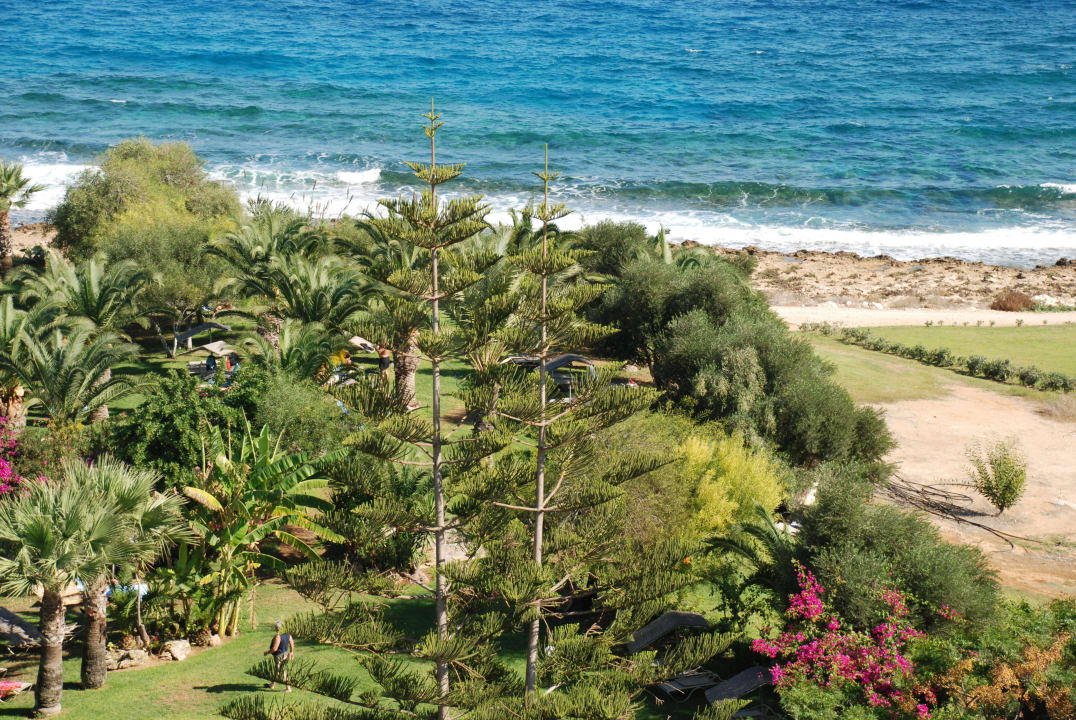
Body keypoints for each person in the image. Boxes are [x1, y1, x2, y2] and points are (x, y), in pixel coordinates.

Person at [264, 621, 294, 692]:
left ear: (277, 628)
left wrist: (267, 652)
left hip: (279, 656)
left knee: (282, 671)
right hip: (285, 654)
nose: (275, 628)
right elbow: (291, 642)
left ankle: (288, 688)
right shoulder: (288, 635)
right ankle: (272, 684)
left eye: (275, 627)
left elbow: (274, 649)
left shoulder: (278, 636)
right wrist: (291, 652)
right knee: (277, 670)